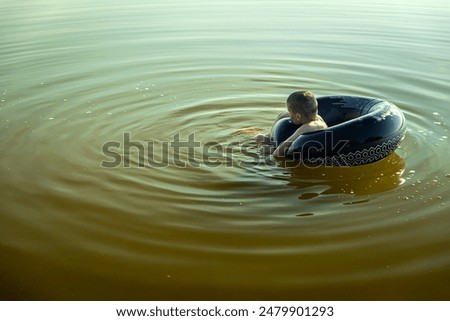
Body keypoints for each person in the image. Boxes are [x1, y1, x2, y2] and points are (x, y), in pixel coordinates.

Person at [256, 90, 327, 157]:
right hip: (292, 143)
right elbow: (284, 115)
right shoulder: (315, 118)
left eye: (290, 113)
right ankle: (267, 138)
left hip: (302, 151)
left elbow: (278, 152)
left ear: (298, 116)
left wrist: (271, 153)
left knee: (263, 149)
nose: (289, 115)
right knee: (259, 137)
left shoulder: (307, 127)